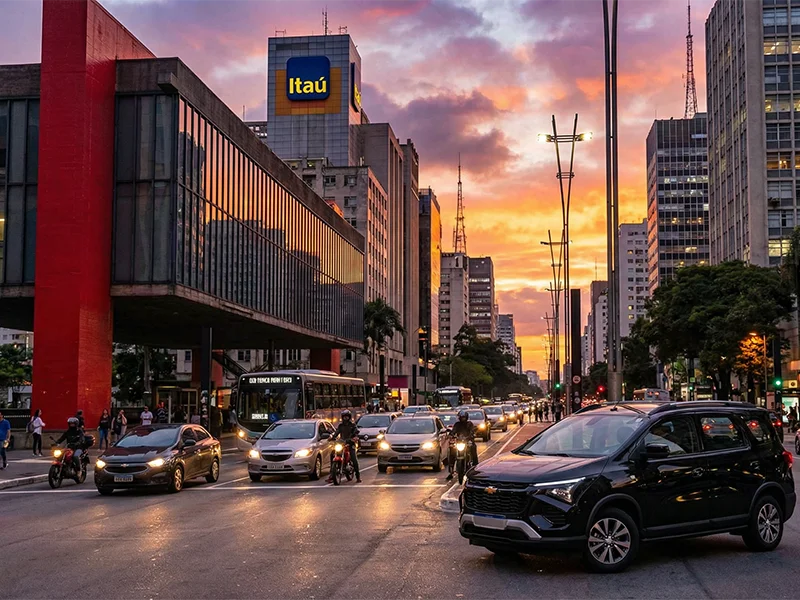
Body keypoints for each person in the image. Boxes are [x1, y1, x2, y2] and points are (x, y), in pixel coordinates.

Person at [327, 409, 361, 483]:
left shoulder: (352, 425)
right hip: (342, 443)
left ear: (349, 417)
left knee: (354, 459)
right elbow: (336, 432)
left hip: (350, 444)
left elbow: (356, 431)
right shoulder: (340, 426)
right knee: (333, 454)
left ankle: (358, 476)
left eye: (347, 417)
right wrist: (332, 437)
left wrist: (354, 437)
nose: (346, 418)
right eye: (344, 417)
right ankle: (331, 475)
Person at [447, 410, 479, 481]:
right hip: (459, 442)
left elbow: (472, 430)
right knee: (452, 450)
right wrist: (451, 435)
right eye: (461, 417)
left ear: (466, 417)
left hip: (467, 441)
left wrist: (472, 434)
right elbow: (454, 430)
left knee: (473, 447)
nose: (462, 419)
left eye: (464, 417)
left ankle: (475, 465)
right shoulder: (457, 424)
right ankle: (451, 469)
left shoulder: (469, 424)